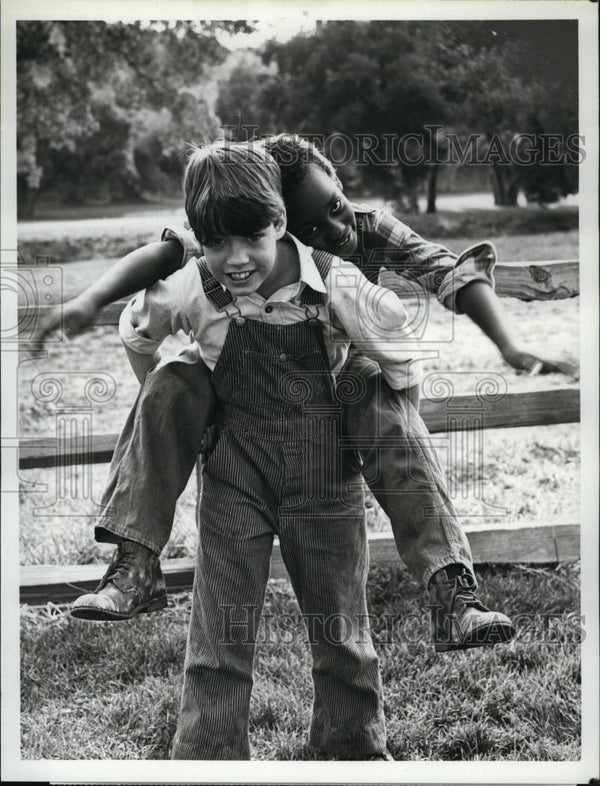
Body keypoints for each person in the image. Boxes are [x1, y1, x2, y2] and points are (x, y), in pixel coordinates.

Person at [42, 133, 560, 650]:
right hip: (243, 398)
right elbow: (172, 251)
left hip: (346, 373)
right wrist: (97, 309)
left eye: (336, 209)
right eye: (311, 228)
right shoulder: (240, 236)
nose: (336, 234)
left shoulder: (365, 231)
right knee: (173, 380)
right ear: (281, 224)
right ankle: (133, 564)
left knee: (380, 401)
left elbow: (447, 276)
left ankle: (452, 592)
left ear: (336, 183)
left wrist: (507, 350)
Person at [116, 140, 425, 759]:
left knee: (342, 634)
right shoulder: (192, 288)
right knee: (218, 639)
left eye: (251, 238)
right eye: (215, 243)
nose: (234, 260)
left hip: (326, 475)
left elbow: (402, 368)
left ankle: (352, 756)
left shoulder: (336, 285)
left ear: (281, 221)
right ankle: (209, 760)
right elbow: (139, 335)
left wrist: (383, 433)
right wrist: (193, 403)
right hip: (236, 474)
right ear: (197, 236)